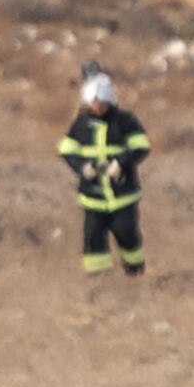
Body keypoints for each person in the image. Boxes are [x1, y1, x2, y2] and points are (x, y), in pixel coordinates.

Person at [57, 72, 150, 277]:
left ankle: (135, 272)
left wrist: (121, 164)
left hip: (123, 195)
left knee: (126, 232)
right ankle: (98, 283)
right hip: (93, 197)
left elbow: (141, 146)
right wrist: (82, 168)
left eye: (101, 104)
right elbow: (66, 149)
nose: (97, 108)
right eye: (93, 104)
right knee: (93, 239)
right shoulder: (80, 125)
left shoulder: (125, 121)